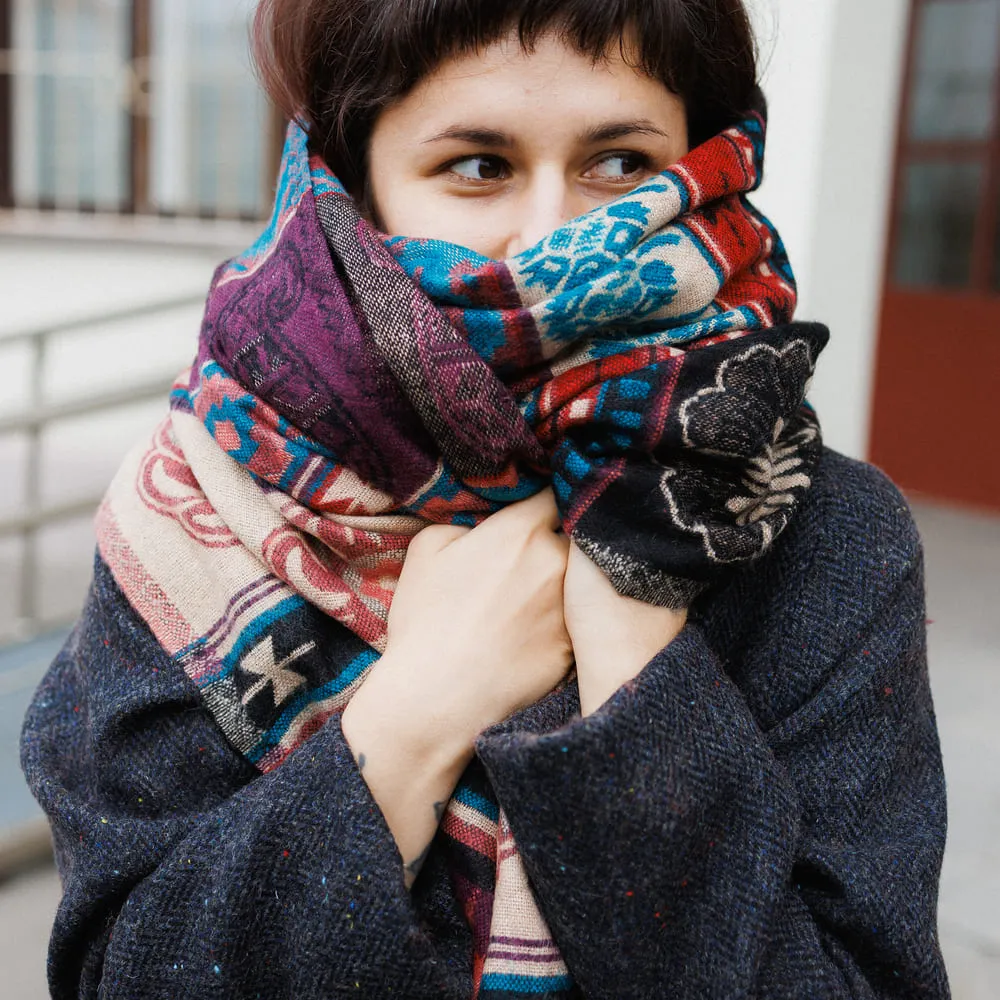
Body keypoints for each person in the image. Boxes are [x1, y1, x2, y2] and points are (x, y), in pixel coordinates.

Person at [21, 1, 951, 997]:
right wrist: (420, 712)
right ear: (354, 190)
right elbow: (125, 972)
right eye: (477, 165)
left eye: (621, 164)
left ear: (704, 166)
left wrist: (636, 662)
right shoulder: (196, 517)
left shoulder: (820, 531)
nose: (555, 235)